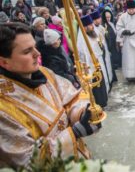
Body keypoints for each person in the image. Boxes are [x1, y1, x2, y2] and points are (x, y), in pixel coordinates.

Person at [0, 23, 101, 168]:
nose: (37, 53)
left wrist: (82, 114)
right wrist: (74, 133)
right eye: (27, 51)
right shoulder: (3, 106)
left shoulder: (44, 72)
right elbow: (28, 162)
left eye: (34, 47)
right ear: (4, 62)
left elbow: (71, 97)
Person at [77, 15, 108, 108]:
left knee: (101, 85)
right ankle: (99, 104)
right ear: (84, 27)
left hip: (98, 64)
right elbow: (85, 55)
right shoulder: (82, 39)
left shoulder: (92, 34)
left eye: (91, 25)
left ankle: (103, 101)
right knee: (96, 87)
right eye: (90, 25)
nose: (92, 27)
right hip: (91, 67)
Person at [90, 10, 115, 91]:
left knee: (108, 65)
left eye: (99, 18)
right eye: (95, 19)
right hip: (99, 53)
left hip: (106, 50)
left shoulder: (101, 27)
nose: (98, 20)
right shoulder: (92, 30)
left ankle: (110, 81)